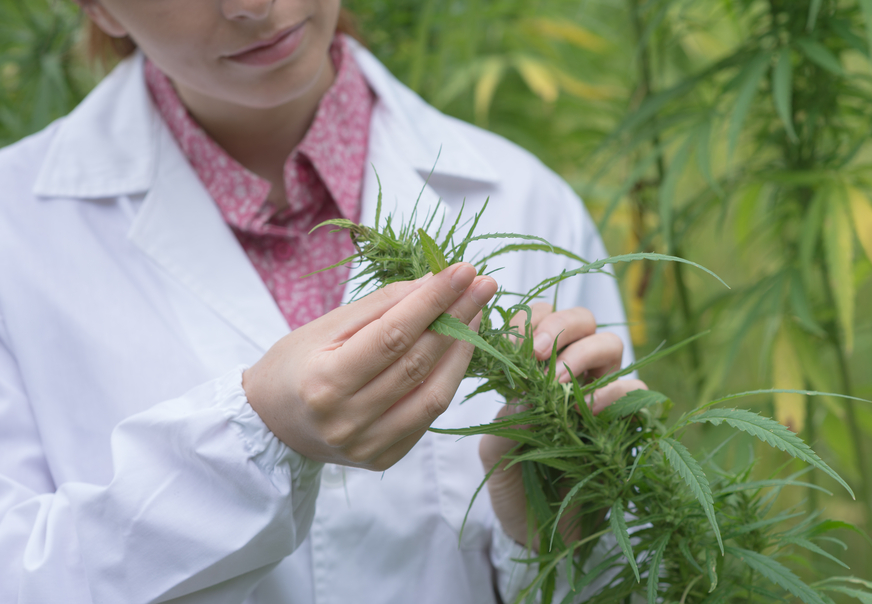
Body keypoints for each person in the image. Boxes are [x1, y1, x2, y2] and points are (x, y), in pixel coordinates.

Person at [0, 1, 644, 602]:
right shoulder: (18, 236)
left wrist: (554, 542)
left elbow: (643, 570)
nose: (253, 5)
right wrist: (256, 438)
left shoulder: (529, 203)